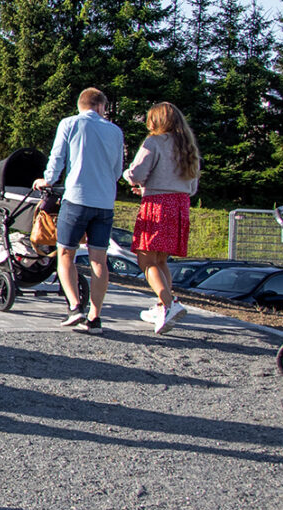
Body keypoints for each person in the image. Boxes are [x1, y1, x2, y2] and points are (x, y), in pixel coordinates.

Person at [43, 88, 128, 334]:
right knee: (99, 260)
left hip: (77, 198)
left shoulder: (69, 124)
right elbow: (117, 170)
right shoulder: (115, 131)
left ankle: (74, 306)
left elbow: (57, 158)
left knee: (66, 253)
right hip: (104, 202)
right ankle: (95, 316)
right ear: (101, 106)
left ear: (80, 104)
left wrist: (47, 180)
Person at [128, 101, 202, 335]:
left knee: (146, 260)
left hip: (157, 206)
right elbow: (190, 187)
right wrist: (151, 188)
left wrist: (129, 177)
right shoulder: (187, 146)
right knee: (160, 260)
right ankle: (163, 305)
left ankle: (170, 304)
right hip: (179, 205)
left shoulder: (154, 142)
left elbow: (137, 173)